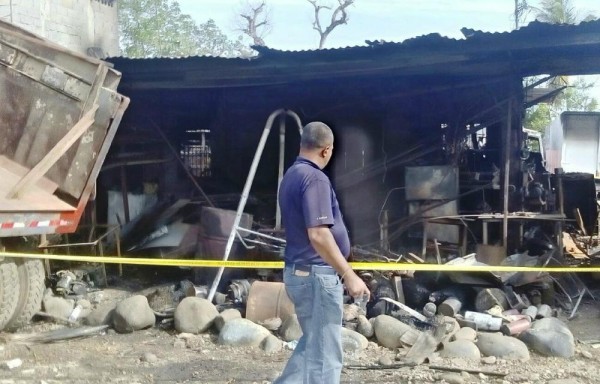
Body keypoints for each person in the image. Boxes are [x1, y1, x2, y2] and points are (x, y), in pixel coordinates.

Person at [273, 121, 370, 384]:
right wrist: (349, 274)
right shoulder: (314, 178)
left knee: (313, 346)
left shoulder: (292, 175)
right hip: (316, 275)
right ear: (326, 150)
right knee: (326, 355)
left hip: (302, 272)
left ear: (302, 144)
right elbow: (318, 234)